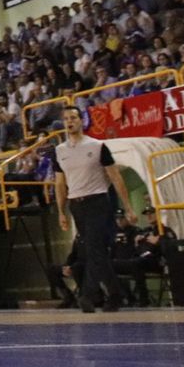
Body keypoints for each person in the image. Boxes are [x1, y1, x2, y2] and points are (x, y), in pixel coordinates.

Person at [54, 105, 136, 313]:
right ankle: (116, 294)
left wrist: (128, 207)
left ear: (81, 120)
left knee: (93, 248)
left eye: (73, 117)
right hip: (76, 204)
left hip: (98, 201)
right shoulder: (59, 151)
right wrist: (61, 211)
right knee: (95, 250)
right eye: (66, 119)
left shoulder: (98, 146)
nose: (70, 121)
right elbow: (60, 183)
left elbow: (115, 177)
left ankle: (87, 295)